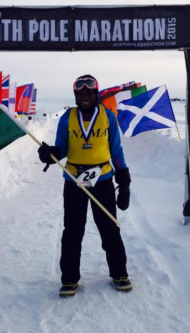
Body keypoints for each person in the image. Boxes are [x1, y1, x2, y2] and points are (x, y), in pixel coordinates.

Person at [38, 75, 132, 297]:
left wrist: (124, 181)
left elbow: (116, 150)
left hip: (103, 179)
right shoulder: (67, 118)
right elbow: (62, 148)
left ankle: (119, 274)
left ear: (95, 94)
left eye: (89, 92)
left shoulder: (108, 116)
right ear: (75, 95)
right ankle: (69, 279)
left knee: (109, 228)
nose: (85, 96)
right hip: (75, 181)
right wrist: (50, 154)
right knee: (72, 230)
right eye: (80, 93)